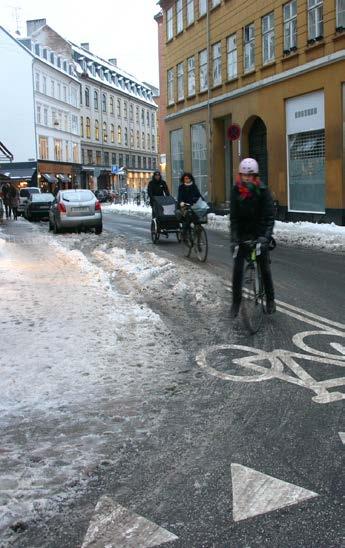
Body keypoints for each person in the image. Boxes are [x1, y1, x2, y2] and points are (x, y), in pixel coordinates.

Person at [230, 158, 276, 317]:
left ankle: (270, 299)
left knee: (264, 267)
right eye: (244, 175)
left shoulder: (263, 191)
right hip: (243, 234)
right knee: (237, 269)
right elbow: (234, 218)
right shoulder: (236, 190)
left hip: (260, 234)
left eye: (250, 175)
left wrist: (266, 237)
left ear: (255, 176)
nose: (247, 178)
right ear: (240, 175)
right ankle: (236, 302)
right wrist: (235, 237)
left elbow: (270, 217)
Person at [177, 172, 204, 239]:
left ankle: (198, 232)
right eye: (185, 178)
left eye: (188, 178)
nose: (187, 180)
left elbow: (198, 195)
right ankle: (184, 232)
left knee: (197, 217)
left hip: (193, 205)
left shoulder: (194, 186)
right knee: (187, 217)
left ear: (190, 179)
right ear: (183, 179)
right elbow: (179, 197)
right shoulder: (181, 187)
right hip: (184, 205)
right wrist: (181, 202)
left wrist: (202, 200)